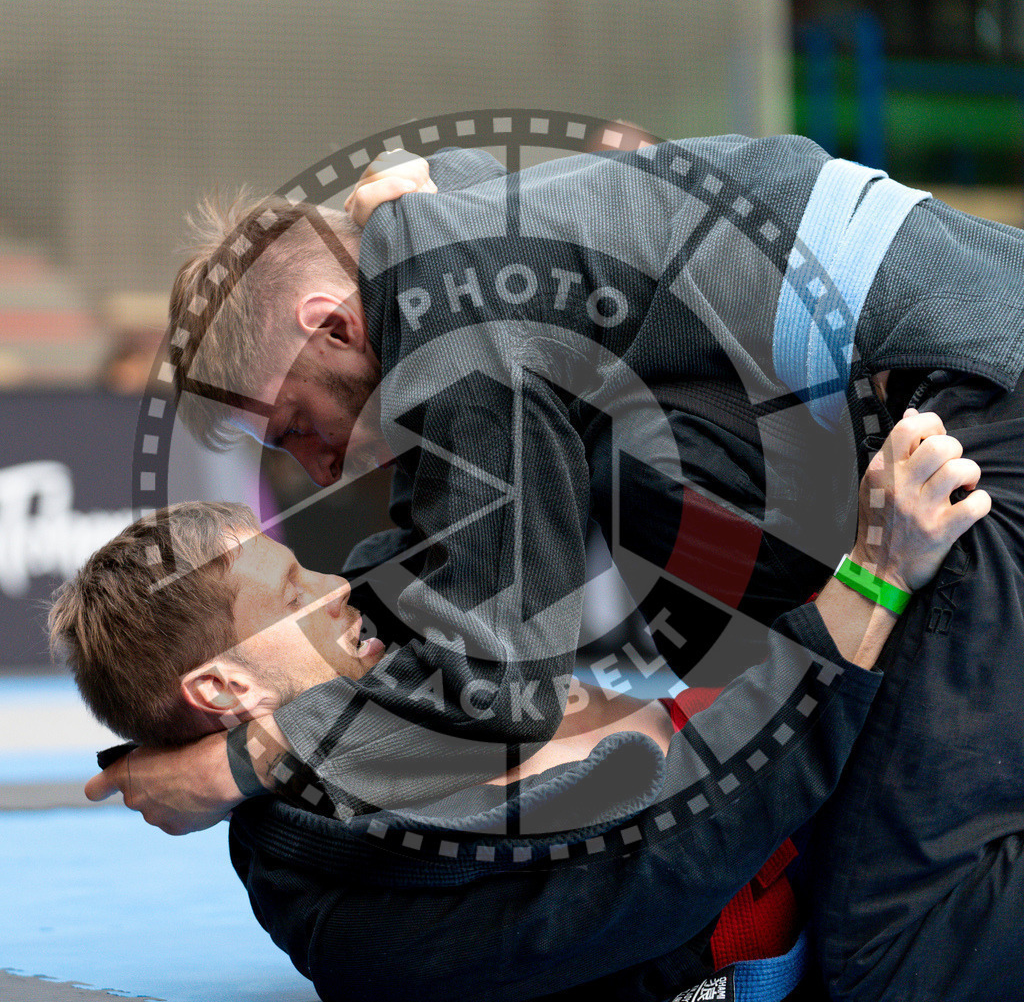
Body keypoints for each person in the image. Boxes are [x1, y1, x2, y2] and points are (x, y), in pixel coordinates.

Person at [105, 133, 1021, 997]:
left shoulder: (445, 317)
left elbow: (496, 692)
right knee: (625, 473)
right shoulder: (440, 231)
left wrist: (248, 759)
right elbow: (435, 567)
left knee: (898, 953)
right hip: (935, 362)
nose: (321, 468)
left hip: (968, 404)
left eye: (298, 426)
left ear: (335, 327)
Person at [59, 411, 980, 1000]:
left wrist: (240, 757)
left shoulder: (359, 683)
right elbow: (679, 855)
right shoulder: (356, 886)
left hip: (799, 758)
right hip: (839, 862)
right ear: (224, 687)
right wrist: (877, 577)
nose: (338, 585)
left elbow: (444, 529)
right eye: (297, 589)